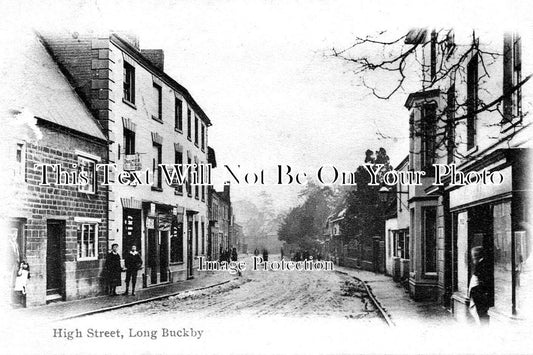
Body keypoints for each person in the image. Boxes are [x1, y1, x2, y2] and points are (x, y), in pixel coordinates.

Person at [468, 246, 491, 325]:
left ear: (476, 256)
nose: (472, 258)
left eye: (473, 256)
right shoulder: (481, 264)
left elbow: (482, 281)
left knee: (481, 315)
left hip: (480, 295)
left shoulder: (481, 265)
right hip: (479, 294)